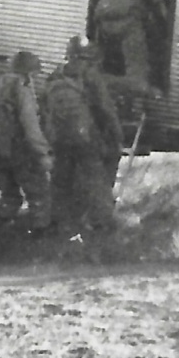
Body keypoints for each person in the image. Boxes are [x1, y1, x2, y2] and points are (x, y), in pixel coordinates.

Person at [42, 37, 122, 232]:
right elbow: (104, 108)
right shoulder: (91, 75)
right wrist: (115, 133)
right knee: (96, 177)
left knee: (60, 178)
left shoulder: (54, 76)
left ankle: (56, 221)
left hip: (59, 137)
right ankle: (101, 222)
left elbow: (44, 106)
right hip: (85, 136)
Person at [0, 50, 53, 235]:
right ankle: (41, 235)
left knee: (10, 195)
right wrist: (43, 152)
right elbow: (30, 124)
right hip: (18, 150)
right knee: (39, 193)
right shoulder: (21, 88)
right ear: (29, 73)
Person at [92, 0, 168, 93]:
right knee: (137, 72)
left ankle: (96, 82)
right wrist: (164, 23)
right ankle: (138, 89)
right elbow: (160, 5)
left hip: (104, 26)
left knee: (101, 61)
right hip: (129, 26)